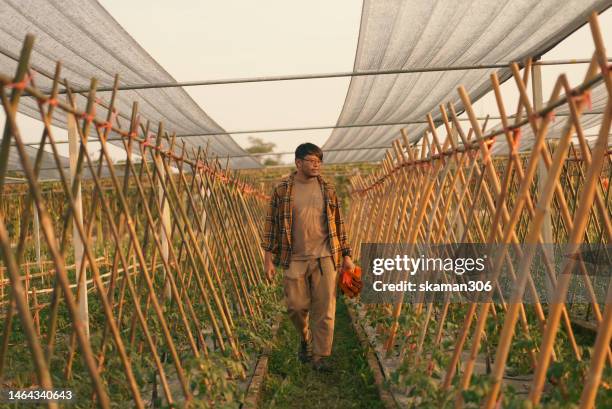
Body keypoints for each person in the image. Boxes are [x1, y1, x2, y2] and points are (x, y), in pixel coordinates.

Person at [261, 142, 354, 372]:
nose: (316, 165)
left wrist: (347, 256)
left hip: (325, 257)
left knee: (325, 309)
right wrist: (268, 259)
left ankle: (320, 356)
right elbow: (271, 225)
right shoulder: (282, 190)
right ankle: (305, 338)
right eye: (311, 161)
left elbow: (339, 225)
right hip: (295, 258)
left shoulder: (328, 189)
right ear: (298, 163)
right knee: (295, 306)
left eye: (319, 161)